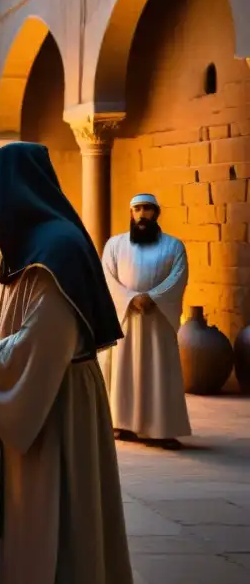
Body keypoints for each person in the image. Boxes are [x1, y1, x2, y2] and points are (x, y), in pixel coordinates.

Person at [0, 142, 136, 584]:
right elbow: (0, 323)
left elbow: (45, 342)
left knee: (50, 503)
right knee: (25, 506)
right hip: (32, 389)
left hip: (54, 400)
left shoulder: (57, 248)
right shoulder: (23, 246)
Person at [100, 193, 191, 450]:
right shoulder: (115, 246)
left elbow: (178, 277)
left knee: (158, 373)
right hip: (126, 320)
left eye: (147, 209)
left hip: (157, 321)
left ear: (156, 213)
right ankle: (122, 423)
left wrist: (153, 298)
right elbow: (107, 277)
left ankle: (161, 429)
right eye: (137, 209)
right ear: (131, 213)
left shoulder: (174, 246)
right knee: (123, 373)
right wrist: (130, 299)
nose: (142, 214)